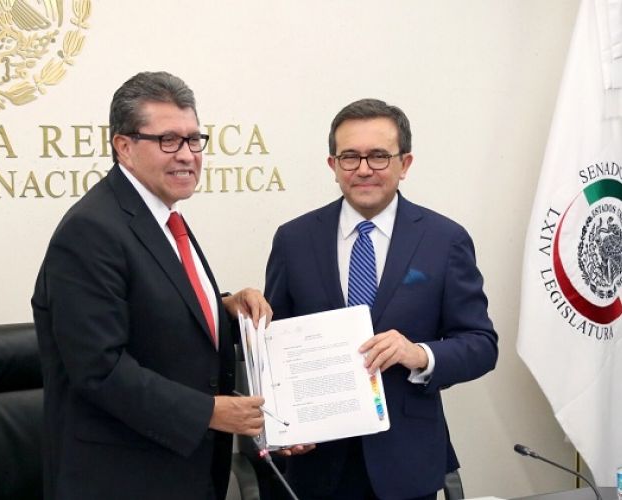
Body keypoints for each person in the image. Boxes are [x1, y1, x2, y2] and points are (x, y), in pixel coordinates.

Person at [31, 71, 271, 500]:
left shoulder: (162, 215)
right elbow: (99, 369)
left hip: (181, 470)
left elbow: (156, 310)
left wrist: (225, 307)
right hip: (123, 478)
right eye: (168, 141)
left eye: (194, 139)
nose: (187, 155)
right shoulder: (91, 230)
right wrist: (210, 412)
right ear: (124, 147)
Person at [264, 99, 498, 500]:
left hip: (406, 462)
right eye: (350, 157)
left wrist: (420, 354)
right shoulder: (294, 239)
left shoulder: (444, 240)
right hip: (316, 462)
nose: (364, 169)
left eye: (378, 156)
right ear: (332, 165)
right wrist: (282, 425)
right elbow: (273, 347)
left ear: (404, 164)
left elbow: (481, 345)